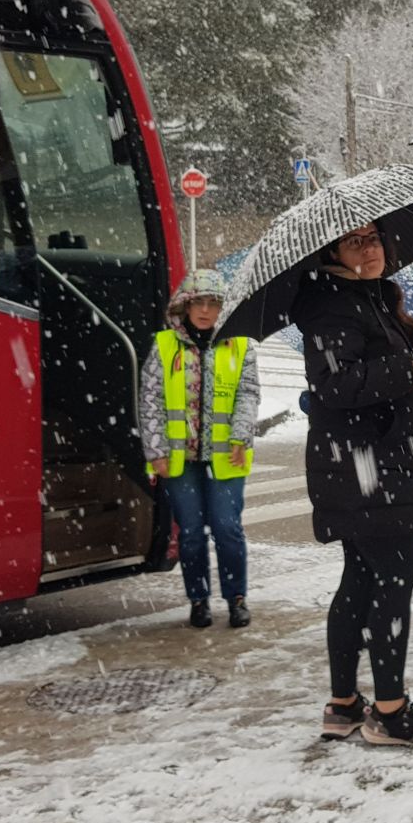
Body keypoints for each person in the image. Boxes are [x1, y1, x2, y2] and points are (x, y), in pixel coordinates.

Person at [291, 223, 413, 748]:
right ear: (332, 251)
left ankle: (343, 706)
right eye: (356, 241)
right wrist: (406, 371)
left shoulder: (369, 298)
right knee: (393, 579)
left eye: (376, 238)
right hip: (364, 469)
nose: (371, 248)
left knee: (360, 580)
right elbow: (336, 386)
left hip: (372, 462)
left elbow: (375, 389)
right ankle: (389, 711)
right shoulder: (330, 305)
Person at [138, 269, 259, 629]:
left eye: (214, 304)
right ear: (185, 307)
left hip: (227, 455)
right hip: (180, 459)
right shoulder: (164, 346)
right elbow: (151, 402)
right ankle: (198, 599)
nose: (206, 310)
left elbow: (248, 394)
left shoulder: (240, 345)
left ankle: (236, 597)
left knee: (227, 528)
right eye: (199, 303)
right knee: (190, 532)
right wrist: (156, 450)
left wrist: (240, 437)